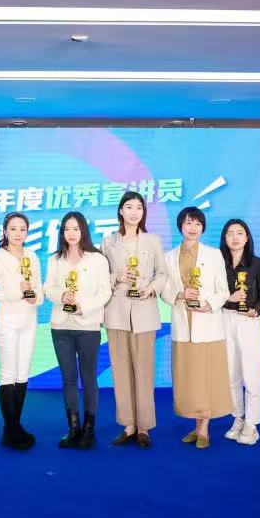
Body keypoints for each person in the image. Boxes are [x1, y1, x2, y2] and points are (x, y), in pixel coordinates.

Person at [100, 191, 167, 448]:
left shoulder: (152, 241)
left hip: (145, 311)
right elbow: (99, 276)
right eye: (129, 207)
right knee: (120, 370)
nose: (134, 212)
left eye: (139, 207)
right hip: (116, 312)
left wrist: (151, 289)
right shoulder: (108, 242)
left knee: (144, 371)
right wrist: (117, 277)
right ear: (120, 211)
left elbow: (162, 273)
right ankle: (128, 425)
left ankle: (144, 427)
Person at [162, 207, 232, 449]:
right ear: (180, 226)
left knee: (206, 378)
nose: (192, 228)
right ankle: (195, 425)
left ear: (203, 228)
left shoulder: (213, 254)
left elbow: (223, 290)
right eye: (188, 223)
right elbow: (164, 290)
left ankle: (204, 429)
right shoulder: (169, 256)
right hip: (183, 323)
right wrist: (179, 294)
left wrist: (208, 304)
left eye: (197, 223)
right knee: (189, 378)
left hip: (207, 322)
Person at [44, 212, 112, 449]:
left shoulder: (97, 259)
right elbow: (47, 288)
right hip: (61, 326)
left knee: (89, 376)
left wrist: (83, 307)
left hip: (88, 325)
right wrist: (60, 295)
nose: (71, 233)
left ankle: (89, 429)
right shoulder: (55, 259)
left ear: (83, 231)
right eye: (67, 229)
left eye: (75, 229)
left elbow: (105, 292)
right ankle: (73, 427)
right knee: (68, 378)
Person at [0, 212, 44, 450]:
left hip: (29, 321)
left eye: (22, 229)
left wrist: (35, 298)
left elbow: (39, 290)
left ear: (27, 232)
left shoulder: (32, 256)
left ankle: (14, 427)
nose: (18, 234)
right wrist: (16, 293)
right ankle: (12, 429)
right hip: (7, 321)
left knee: (23, 373)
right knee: (8, 374)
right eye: (13, 229)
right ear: (5, 231)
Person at [218, 219, 260, 446]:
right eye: (231, 233)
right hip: (224, 319)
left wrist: (255, 310)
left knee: (252, 374)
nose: (235, 237)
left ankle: (251, 424)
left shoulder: (257, 264)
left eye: (240, 233)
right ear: (225, 238)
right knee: (231, 375)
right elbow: (212, 292)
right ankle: (238, 418)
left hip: (248, 321)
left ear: (247, 237)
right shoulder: (218, 263)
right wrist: (227, 299)